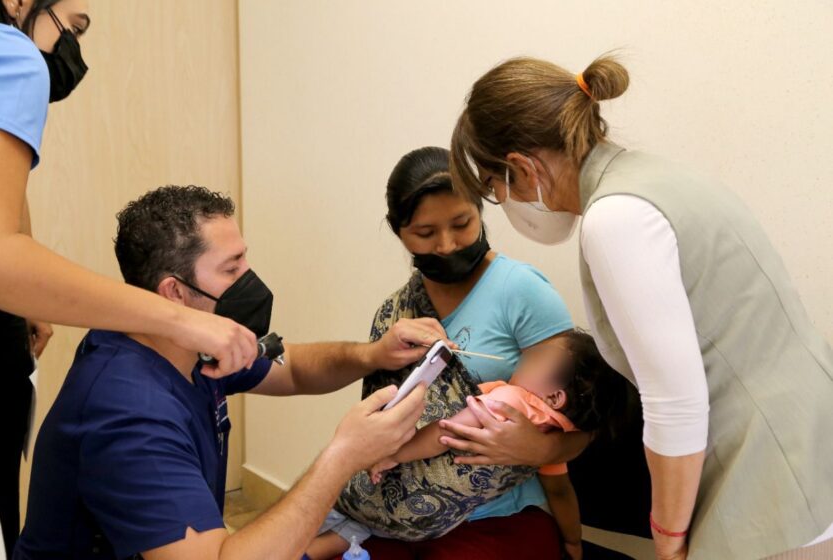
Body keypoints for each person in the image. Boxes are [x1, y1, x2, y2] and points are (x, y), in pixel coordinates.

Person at [448, 54, 833, 559]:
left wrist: (668, 538)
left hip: (771, 477)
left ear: (522, 168)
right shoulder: (657, 177)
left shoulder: (616, 218)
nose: (503, 198)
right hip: (809, 439)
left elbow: (676, 402)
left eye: (495, 189)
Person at [12, 185, 450, 560]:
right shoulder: (130, 414)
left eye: (244, 261)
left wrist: (371, 355)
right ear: (176, 292)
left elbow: (293, 369)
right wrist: (343, 458)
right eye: (231, 269)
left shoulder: (188, 346)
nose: (250, 281)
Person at [0, 1, 256, 553]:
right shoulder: (5, 52)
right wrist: (185, 324)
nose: (70, 50)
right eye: (73, 28)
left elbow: (3, 216)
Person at [327, 146, 596, 560]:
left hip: (504, 516)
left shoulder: (521, 292)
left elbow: (582, 420)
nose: (448, 245)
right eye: (425, 233)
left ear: (480, 209)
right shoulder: (395, 316)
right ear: (399, 231)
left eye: (461, 223)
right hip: (395, 514)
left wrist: (539, 450)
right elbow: (380, 427)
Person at [310, 329, 628, 560]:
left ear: (555, 396)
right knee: (363, 529)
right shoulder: (551, 432)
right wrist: (572, 541)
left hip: (410, 499)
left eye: (539, 357)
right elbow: (560, 491)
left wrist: (394, 453)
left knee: (332, 510)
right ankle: (311, 552)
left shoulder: (509, 401)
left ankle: (293, 548)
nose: (526, 354)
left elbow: (445, 432)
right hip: (433, 523)